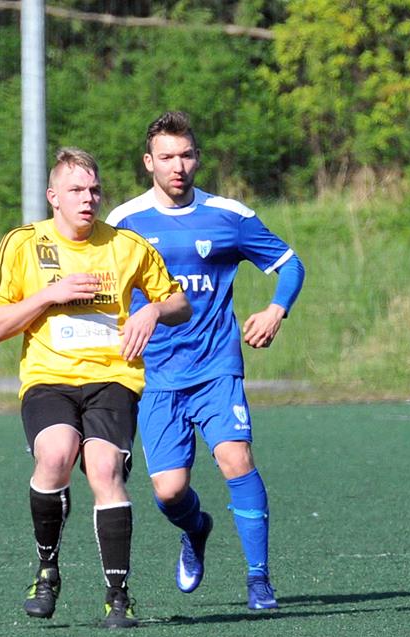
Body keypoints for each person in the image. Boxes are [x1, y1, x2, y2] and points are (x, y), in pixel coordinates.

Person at [0, 148, 190, 628]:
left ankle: (118, 595)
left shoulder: (127, 246)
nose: (88, 199)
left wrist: (153, 310)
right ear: (53, 196)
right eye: (76, 190)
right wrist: (48, 296)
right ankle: (47, 572)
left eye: (94, 190)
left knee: (103, 468)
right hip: (49, 378)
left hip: (113, 379)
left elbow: (179, 303)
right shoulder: (21, 244)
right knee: (55, 455)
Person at [106, 111, 305, 610]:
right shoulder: (124, 223)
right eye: (166, 157)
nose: (178, 166)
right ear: (148, 162)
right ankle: (196, 529)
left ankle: (259, 579)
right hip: (155, 375)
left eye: (186, 155)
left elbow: (290, 264)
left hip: (216, 366)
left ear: (198, 158)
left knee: (236, 457)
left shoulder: (229, 215)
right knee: (170, 492)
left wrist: (276, 310)